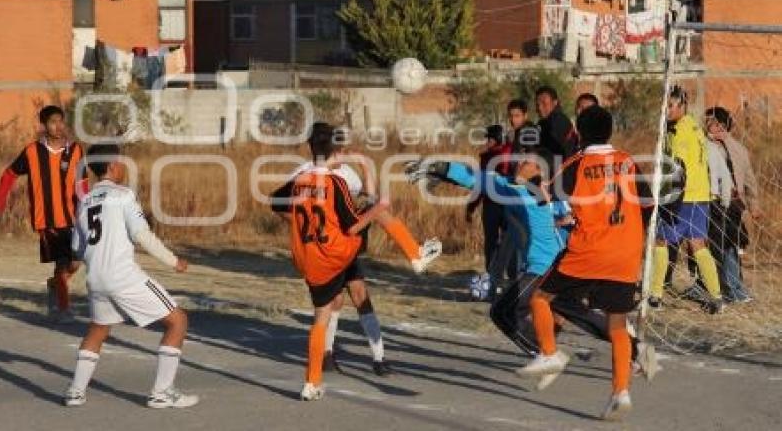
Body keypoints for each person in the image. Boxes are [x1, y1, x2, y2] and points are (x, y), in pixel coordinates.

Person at [406, 136, 657, 393]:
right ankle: (637, 349)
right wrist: (442, 170)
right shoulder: (555, 193)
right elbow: (480, 180)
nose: (520, 163)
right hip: (566, 266)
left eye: (527, 161)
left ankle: (548, 354)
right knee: (579, 315)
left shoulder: (519, 190)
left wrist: (441, 168)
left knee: (503, 313)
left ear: (540, 171)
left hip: (544, 270)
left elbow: (479, 179)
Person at [272, 124, 441, 401]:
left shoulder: (301, 179)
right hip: (337, 248)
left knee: (321, 317)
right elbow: (353, 227)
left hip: (309, 257)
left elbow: (277, 202)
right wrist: (378, 207)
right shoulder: (335, 182)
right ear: (336, 150)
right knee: (379, 214)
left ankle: (312, 383)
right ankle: (416, 255)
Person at [515, 106, 647, 421]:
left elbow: (544, 198)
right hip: (627, 252)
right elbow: (647, 203)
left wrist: (529, 180)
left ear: (581, 133)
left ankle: (550, 353)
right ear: (610, 130)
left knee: (540, 298)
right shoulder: (628, 161)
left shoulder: (577, 163)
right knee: (617, 325)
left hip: (589, 252)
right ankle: (620, 392)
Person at [64, 144, 197, 409]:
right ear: (113, 165)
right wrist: (173, 261)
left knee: (98, 329)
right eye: (121, 161)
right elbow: (142, 235)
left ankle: (75, 392)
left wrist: (69, 270)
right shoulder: (123, 195)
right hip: (122, 276)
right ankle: (162, 392)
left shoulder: (85, 201)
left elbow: (77, 251)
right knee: (178, 321)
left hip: (96, 279)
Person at [0, 105, 84, 322]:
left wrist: (87, 208)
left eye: (61, 121)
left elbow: (82, 183)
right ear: (44, 125)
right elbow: (9, 175)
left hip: (74, 217)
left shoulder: (76, 150)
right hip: (48, 219)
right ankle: (62, 309)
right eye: (53, 122)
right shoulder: (32, 152)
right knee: (62, 263)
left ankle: (54, 285)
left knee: (77, 262)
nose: (58, 126)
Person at [649, 86, 723, 314]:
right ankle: (717, 297)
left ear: (682, 106)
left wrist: (669, 198)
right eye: (665, 105)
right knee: (698, 244)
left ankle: (654, 295)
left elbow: (678, 167)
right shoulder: (695, 127)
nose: (667, 110)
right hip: (701, 196)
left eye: (671, 105)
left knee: (661, 242)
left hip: (682, 197)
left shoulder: (679, 131)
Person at [705, 106, 759, 303]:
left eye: (711, 122)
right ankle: (717, 286)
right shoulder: (705, 146)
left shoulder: (737, 149)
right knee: (713, 247)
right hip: (712, 203)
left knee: (729, 246)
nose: (707, 125)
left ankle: (733, 289)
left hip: (731, 205)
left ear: (721, 125)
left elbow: (749, 180)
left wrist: (754, 205)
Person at [465, 124, 511, 283]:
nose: (487, 142)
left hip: (507, 205)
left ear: (498, 139)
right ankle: (492, 276)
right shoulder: (486, 157)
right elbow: (481, 185)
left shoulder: (509, 153)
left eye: (490, 139)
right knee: (491, 242)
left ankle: (510, 276)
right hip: (491, 204)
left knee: (509, 241)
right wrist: (471, 206)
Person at [535, 86, 579, 167]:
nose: (540, 108)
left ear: (555, 102)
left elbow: (553, 151)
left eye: (544, 104)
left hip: (561, 172)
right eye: (538, 105)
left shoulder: (557, 120)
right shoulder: (545, 122)